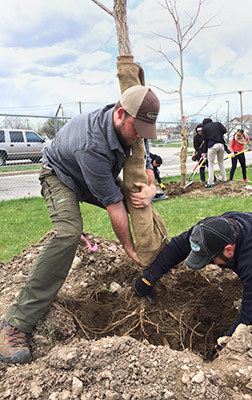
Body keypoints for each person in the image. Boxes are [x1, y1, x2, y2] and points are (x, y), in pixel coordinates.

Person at [0, 85, 160, 364]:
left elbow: (145, 164)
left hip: (90, 174)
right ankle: (14, 324)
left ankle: (161, 257)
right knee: (69, 232)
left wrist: (151, 188)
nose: (140, 137)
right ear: (121, 114)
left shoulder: (135, 126)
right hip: (60, 176)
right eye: (138, 129)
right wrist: (129, 248)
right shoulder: (92, 143)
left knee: (141, 201)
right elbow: (114, 206)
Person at [134, 211, 252, 338]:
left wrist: (223, 346)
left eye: (210, 260)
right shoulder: (213, 229)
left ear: (228, 250)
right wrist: (149, 278)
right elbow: (178, 246)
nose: (208, 265)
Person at [201, 118, 230, 188]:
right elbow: (224, 130)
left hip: (212, 146)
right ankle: (224, 179)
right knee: (221, 162)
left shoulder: (205, 128)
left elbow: (204, 140)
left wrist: (204, 152)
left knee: (211, 164)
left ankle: (211, 182)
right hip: (221, 145)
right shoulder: (218, 124)